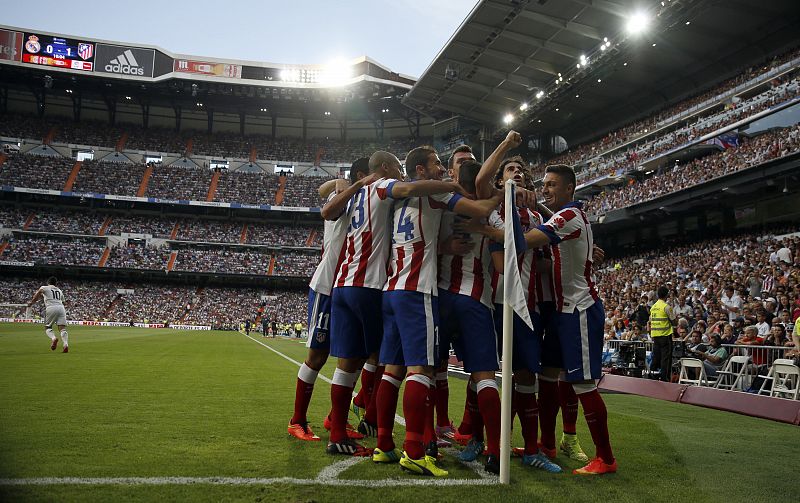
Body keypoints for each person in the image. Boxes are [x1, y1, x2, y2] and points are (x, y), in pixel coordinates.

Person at [321, 150, 464, 456]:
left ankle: (337, 431)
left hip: (342, 283)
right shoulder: (383, 186)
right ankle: (374, 418)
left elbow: (326, 210)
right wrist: (450, 185)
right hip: (372, 285)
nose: (402, 173)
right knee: (387, 360)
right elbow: (411, 188)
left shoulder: (354, 194)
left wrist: (354, 186)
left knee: (348, 363)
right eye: (399, 168)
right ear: (385, 168)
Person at [374, 146, 500, 476]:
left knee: (392, 370)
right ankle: (415, 450)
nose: (442, 170)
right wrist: (504, 195)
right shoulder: (438, 196)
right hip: (419, 291)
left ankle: (384, 445)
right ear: (419, 169)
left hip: (391, 289)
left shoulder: (393, 195)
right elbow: (480, 207)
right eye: (436, 165)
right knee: (422, 370)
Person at [521, 164, 616, 475]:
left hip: (580, 309)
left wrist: (490, 231)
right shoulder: (565, 217)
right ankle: (548, 443)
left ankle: (606, 458)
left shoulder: (568, 217)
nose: (546, 189)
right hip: (563, 311)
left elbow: (528, 240)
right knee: (550, 376)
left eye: (552, 185)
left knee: (583, 383)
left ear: (569, 188)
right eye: (544, 185)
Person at [288, 162, 368, 442]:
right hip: (328, 285)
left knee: (355, 355)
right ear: (361, 175)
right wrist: (340, 184)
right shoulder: (346, 196)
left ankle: (337, 418)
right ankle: (297, 420)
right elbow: (327, 199)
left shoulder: (372, 199)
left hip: (352, 285)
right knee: (318, 356)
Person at [27, 276, 69, 353]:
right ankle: (65, 345)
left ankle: (53, 338)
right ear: (56, 283)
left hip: (51, 307)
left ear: (48, 282)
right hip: (61, 308)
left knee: (48, 327)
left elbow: (37, 294)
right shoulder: (59, 290)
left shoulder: (44, 287)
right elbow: (64, 302)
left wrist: (31, 302)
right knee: (62, 328)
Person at [648, 286, 677, 382]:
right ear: (667, 295)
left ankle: (652, 376)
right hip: (665, 336)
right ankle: (665, 379)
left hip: (655, 336)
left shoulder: (653, 307)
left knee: (656, 357)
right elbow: (674, 322)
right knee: (665, 359)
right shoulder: (666, 307)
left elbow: (651, 321)